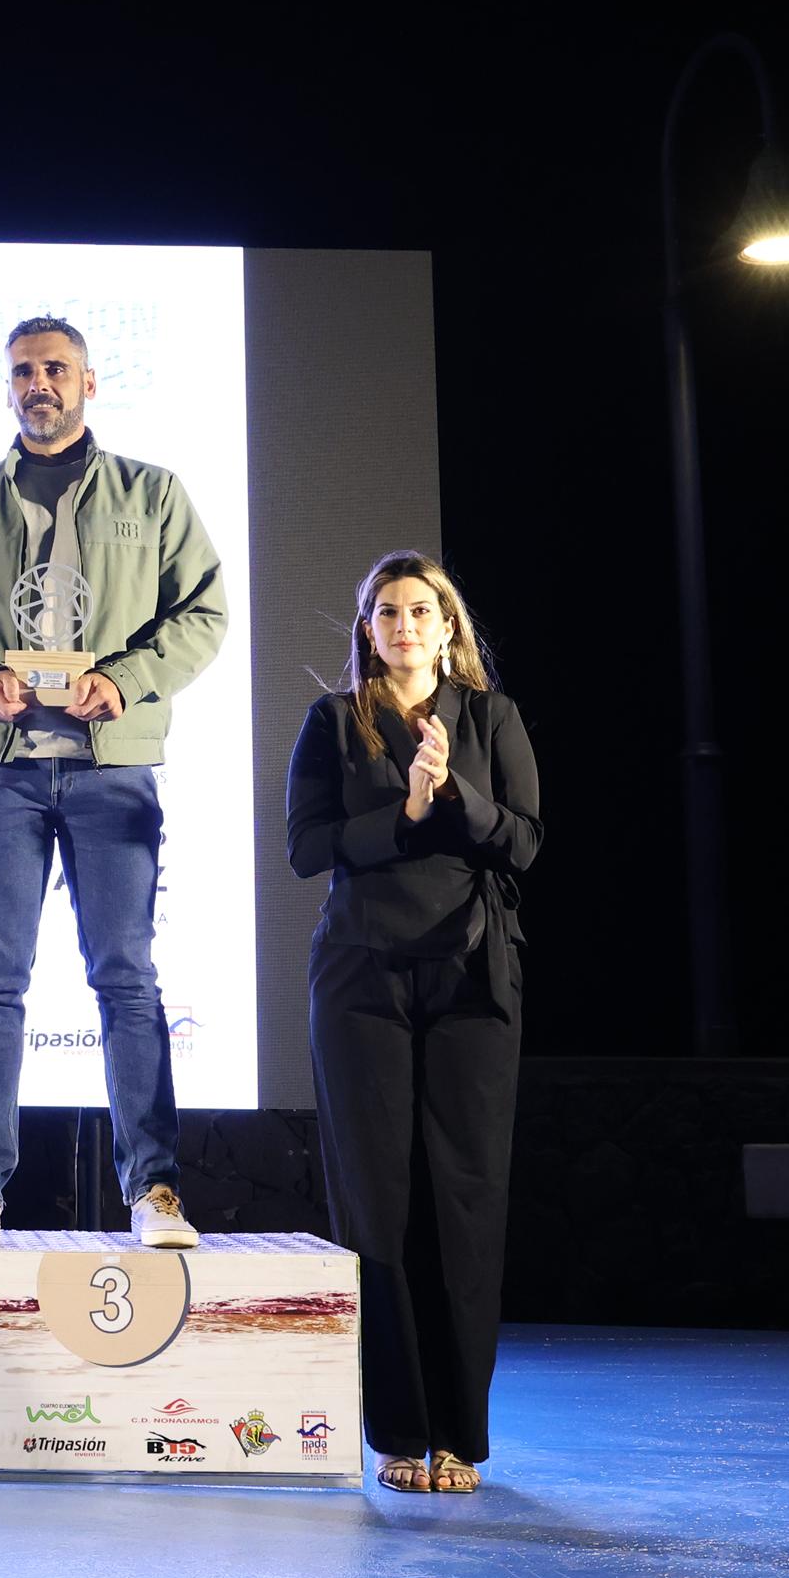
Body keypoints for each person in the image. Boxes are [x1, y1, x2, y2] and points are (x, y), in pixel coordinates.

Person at [0, 314, 227, 1250]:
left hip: (111, 770)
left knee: (127, 977)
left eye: (55, 369)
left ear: (88, 383)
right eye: (23, 372)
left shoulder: (153, 494)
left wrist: (122, 680)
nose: (38, 383)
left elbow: (204, 613)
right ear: (8, 388)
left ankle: (153, 1189)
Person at [285, 551, 541, 1495]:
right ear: (368, 629)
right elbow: (307, 846)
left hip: (473, 979)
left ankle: (458, 1440)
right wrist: (408, 810)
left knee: (464, 1203)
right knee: (377, 1204)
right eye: (386, 612)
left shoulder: (490, 718)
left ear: (448, 627)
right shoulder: (333, 722)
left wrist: (458, 799)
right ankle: (396, 1431)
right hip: (360, 982)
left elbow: (525, 840)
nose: (403, 626)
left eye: (420, 611)